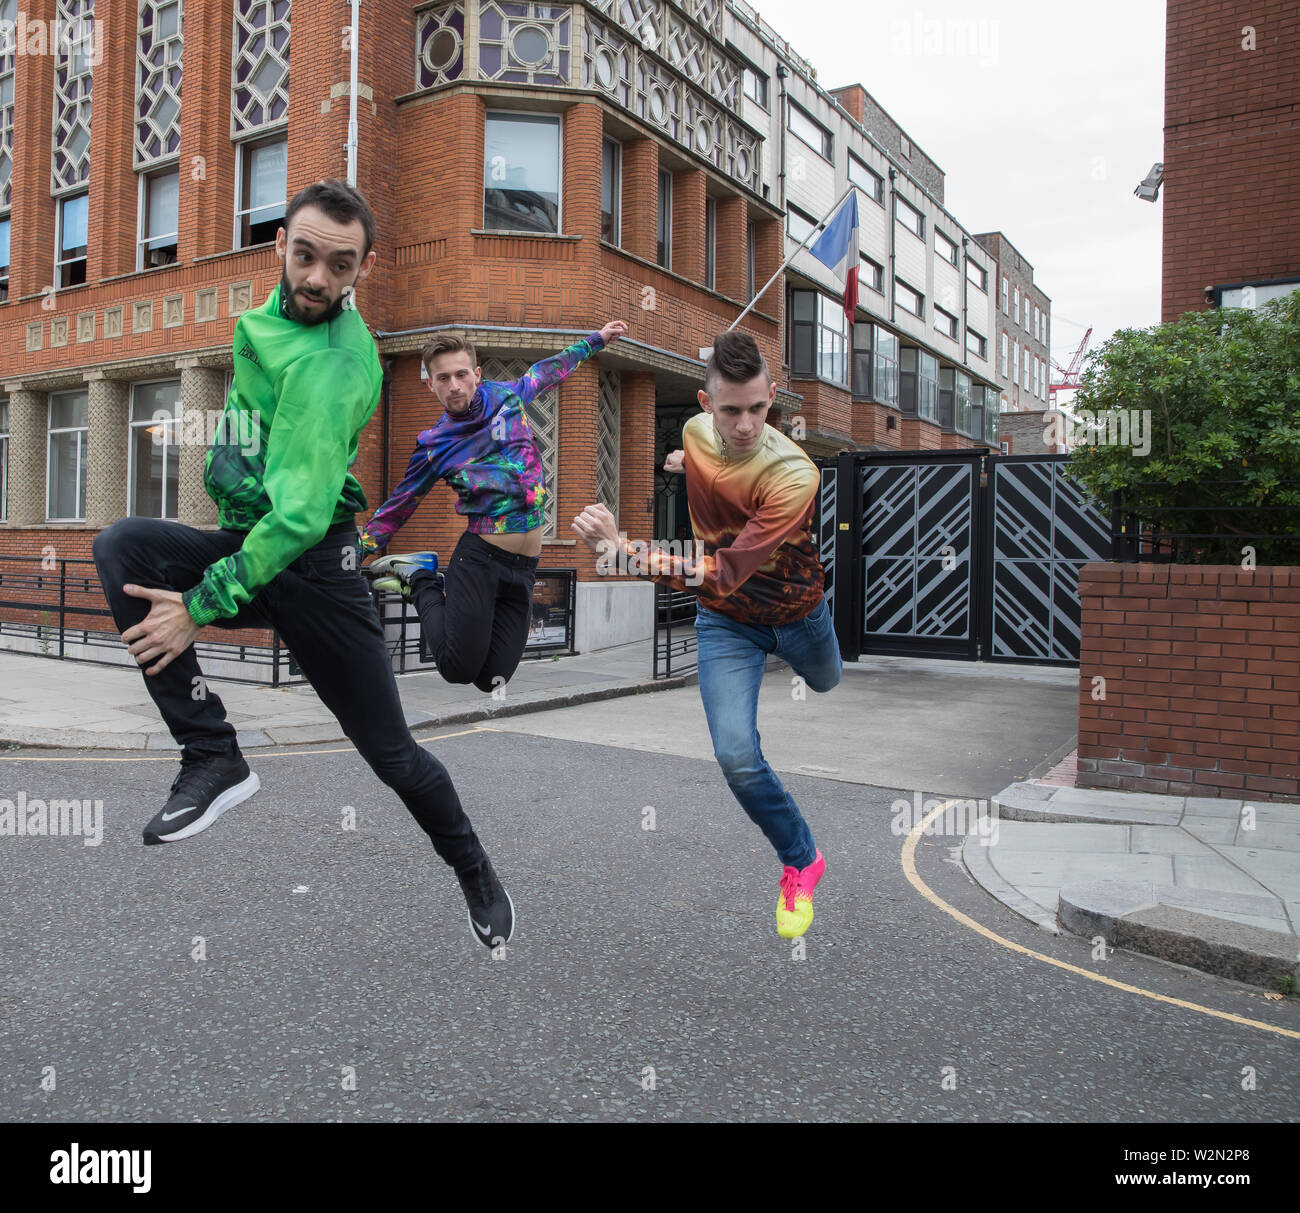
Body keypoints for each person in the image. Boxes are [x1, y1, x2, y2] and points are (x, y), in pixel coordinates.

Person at [92, 180, 514, 950]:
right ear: (279, 244)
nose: (319, 278)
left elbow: (297, 518)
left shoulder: (339, 367)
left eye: (340, 265)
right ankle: (213, 752)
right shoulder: (259, 321)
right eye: (307, 255)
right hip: (257, 550)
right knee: (123, 547)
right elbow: (252, 451)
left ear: (364, 269)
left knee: (395, 758)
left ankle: (474, 869)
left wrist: (199, 603)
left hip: (316, 572)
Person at [572, 330, 841, 939]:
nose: (745, 426)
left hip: (797, 616)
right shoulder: (694, 435)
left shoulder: (795, 475)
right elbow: (720, 579)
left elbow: (724, 572)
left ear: (773, 398)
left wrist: (625, 551)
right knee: (736, 756)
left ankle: (823, 656)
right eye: (730, 411)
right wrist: (684, 460)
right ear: (704, 403)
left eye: (757, 409)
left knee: (825, 681)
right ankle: (801, 859)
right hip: (727, 626)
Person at [358, 320, 627, 692]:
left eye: (461, 374)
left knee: (491, 678)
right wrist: (361, 549)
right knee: (456, 668)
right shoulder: (435, 444)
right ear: (430, 384)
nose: (453, 385)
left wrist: (595, 340)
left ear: (476, 374)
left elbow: (549, 370)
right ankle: (420, 580)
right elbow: (401, 502)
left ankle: (423, 582)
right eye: (442, 378)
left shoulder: (508, 398)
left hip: (525, 567)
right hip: (480, 560)